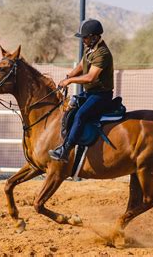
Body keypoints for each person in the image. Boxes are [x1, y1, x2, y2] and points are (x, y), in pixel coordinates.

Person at [49, 18, 114, 163]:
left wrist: (70, 81)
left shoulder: (102, 53)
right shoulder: (90, 49)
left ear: (94, 37)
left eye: (85, 37)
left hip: (101, 95)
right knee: (69, 109)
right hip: (90, 93)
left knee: (80, 115)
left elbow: (91, 77)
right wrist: (68, 76)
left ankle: (66, 151)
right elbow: (80, 66)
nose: (83, 40)